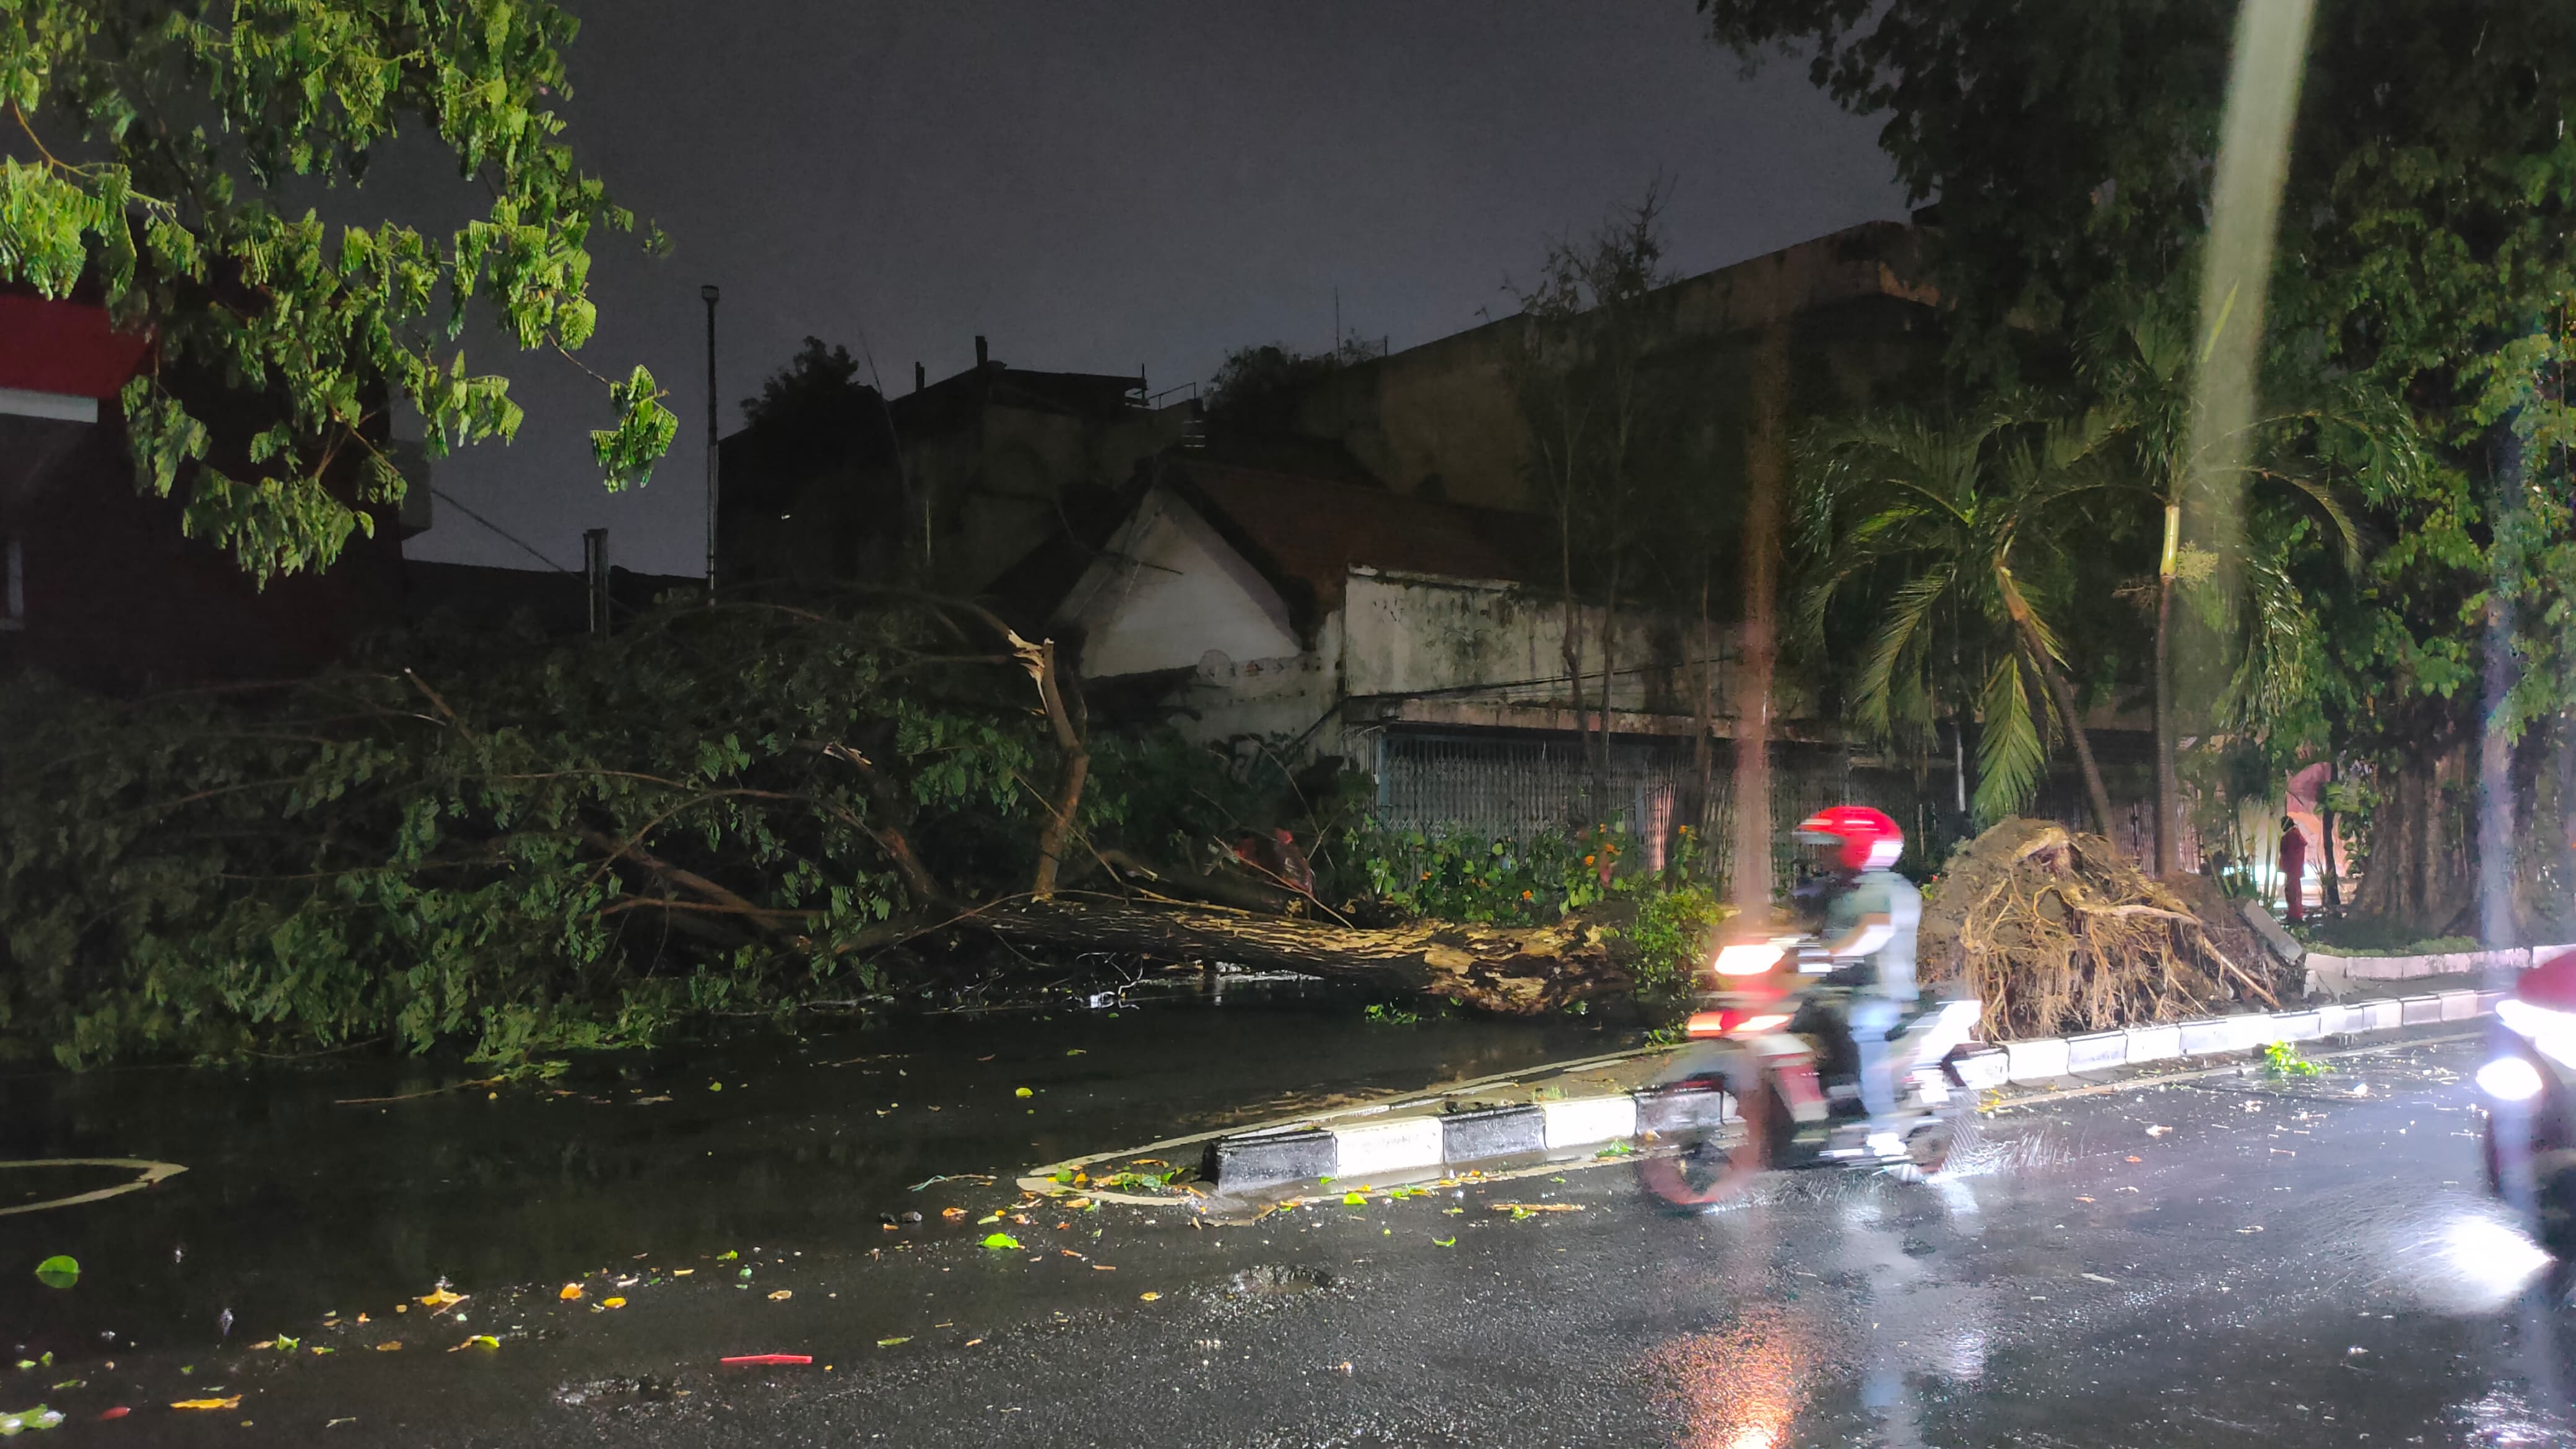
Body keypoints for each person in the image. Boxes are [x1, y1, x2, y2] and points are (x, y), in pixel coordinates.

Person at [1792, 805, 1922, 1126]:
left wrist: (1834, 954)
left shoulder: (1890, 890)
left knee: (1860, 1026)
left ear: (1855, 847)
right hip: (1832, 991)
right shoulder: (1834, 890)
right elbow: (1800, 926)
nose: (1822, 856)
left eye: (1830, 847)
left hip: (1877, 993)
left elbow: (1874, 931)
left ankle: (1881, 1124)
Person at [2277, 815, 2308, 923]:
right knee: (2295, 893)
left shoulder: (2291, 836)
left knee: (2292, 894)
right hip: (2295, 869)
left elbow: (2288, 852)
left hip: (2292, 869)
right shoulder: (2296, 834)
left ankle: (2294, 916)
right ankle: (2295, 914)